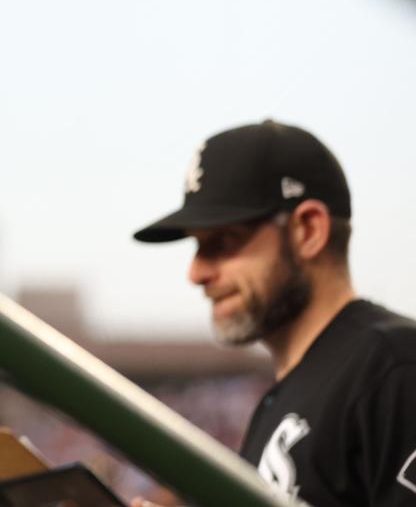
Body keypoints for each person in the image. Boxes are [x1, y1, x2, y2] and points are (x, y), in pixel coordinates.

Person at [131, 120, 416, 506]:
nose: (196, 273)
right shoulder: (283, 398)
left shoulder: (394, 367)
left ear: (308, 230)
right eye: (197, 248)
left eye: (223, 241)